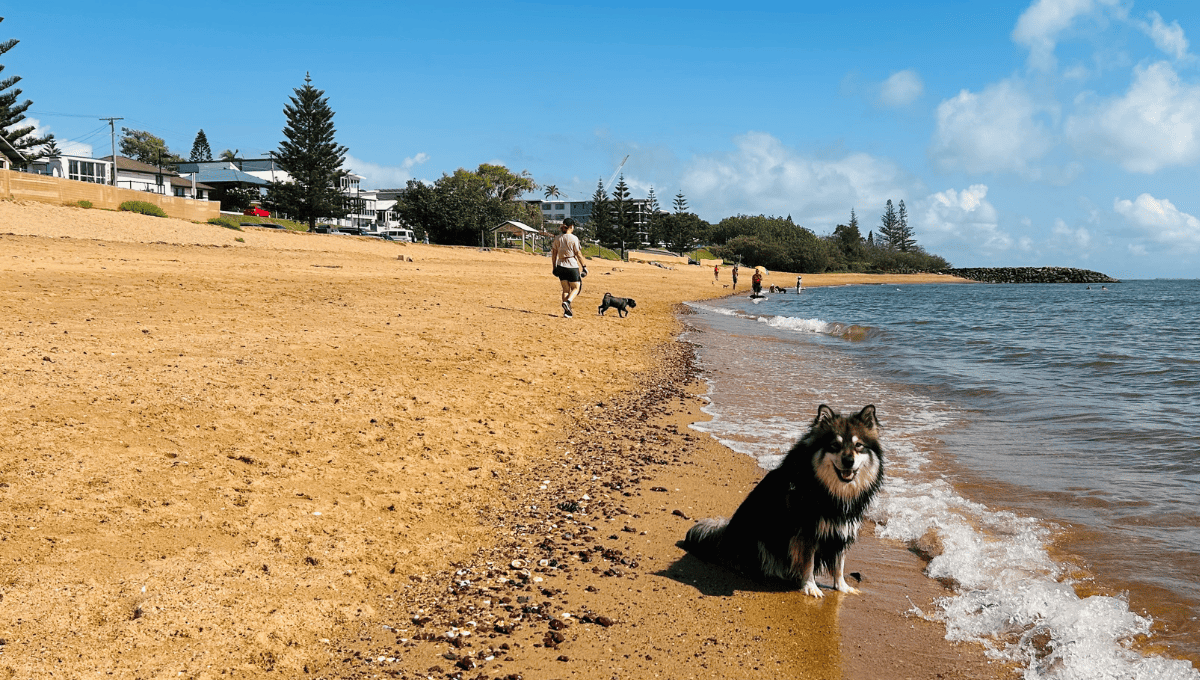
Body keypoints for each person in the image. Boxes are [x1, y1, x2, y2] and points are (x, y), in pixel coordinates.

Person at [551, 218, 585, 318]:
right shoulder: (574, 238)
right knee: (576, 288)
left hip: (560, 264)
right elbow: (578, 254)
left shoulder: (557, 238)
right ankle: (568, 302)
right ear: (571, 226)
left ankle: (567, 312)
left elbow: (554, 255)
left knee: (565, 290)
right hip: (571, 265)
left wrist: (554, 267)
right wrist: (584, 266)